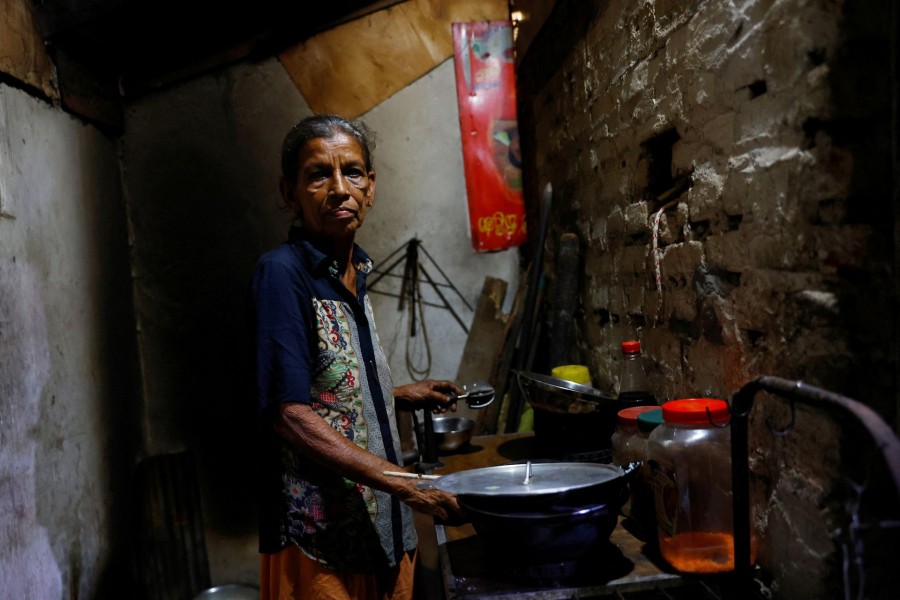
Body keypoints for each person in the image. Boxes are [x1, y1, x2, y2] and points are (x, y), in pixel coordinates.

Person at [251, 113, 463, 600]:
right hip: (325, 540)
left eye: (352, 171)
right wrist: (411, 486)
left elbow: (325, 385)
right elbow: (289, 414)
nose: (339, 188)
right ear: (289, 194)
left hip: (383, 527)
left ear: (371, 187)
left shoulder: (352, 271)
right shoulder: (282, 275)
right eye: (318, 174)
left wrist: (397, 396)